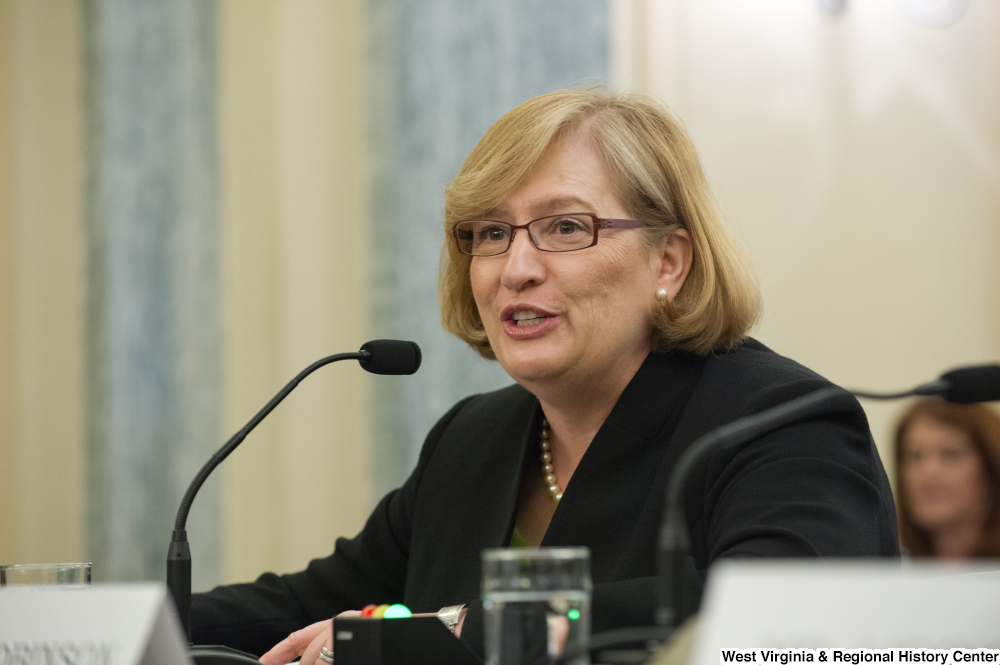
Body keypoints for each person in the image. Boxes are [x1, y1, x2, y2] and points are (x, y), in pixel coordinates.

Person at [191, 88, 899, 663]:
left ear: (668, 262)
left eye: (565, 227)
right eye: (491, 233)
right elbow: (309, 603)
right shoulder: (474, 437)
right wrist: (121, 619)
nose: (516, 267)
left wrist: (457, 627)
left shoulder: (783, 423)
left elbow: (775, 620)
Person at [894, 397, 1000, 558]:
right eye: (915, 456)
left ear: (991, 471)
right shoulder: (885, 573)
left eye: (950, 454)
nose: (929, 470)